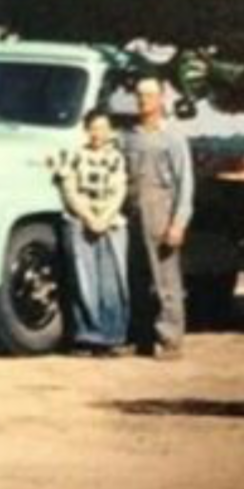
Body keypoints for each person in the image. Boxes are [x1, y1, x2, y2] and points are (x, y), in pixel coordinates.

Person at [121, 76, 196, 358]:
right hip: (132, 210)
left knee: (165, 279)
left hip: (161, 209)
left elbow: (185, 182)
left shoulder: (173, 138)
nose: (144, 101)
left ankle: (170, 338)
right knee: (136, 277)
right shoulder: (128, 136)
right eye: (139, 95)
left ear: (161, 98)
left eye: (150, 95)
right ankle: (139, 337)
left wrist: (179, 222)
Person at [55, 110, 129, 356]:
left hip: (110, 223)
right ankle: (87, 336)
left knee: (111, 280)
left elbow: (119, 190)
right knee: (84, 279)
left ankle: (112, 337)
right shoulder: (75, 156)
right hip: (80, 221)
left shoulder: (116, 157)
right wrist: (88, 217)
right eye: (94, 128)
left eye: (103, 128)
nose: (99, 133)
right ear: (87, 130)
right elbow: (69, 189)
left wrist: (104, 218)